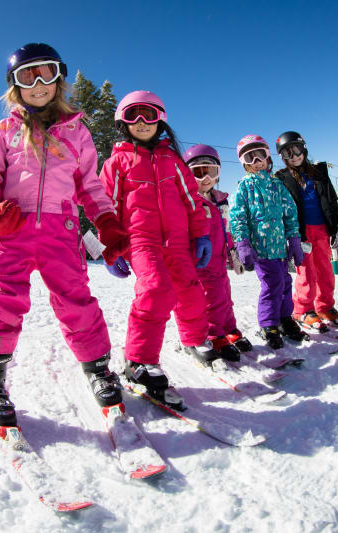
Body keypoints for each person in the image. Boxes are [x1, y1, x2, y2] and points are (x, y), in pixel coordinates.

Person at [0, 43, 130, 428]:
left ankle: (97, 367)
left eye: (46, 73)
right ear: (15, 85)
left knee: (76, 299)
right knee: (3, 299)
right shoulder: (4, 131)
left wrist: (106, 221)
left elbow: (90, 185)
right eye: (28, 76)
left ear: (60, 79)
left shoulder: (77, 132)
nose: (38, 83)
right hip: (12, 228)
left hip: (62, 231)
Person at [99, 90, 221, 409]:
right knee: (155, 290)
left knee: (191, 291)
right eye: (133, 115)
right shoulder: (117, 163)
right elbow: (106, 208)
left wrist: (201, 235)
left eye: (149, 115)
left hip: (179, 241)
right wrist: (111, 247)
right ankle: (138, 361)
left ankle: (195, 339)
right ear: (123, 123)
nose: (142, 122)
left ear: (161, 120)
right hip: (140, 241)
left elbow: (192, 200)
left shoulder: (173, 161)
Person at [229, 135, 307, 349]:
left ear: (268, 156)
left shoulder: (277, 185)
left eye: (260, 155)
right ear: (244, 163)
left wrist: (294, 239)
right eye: (250, 158)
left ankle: (284, 318)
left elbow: (290, 213)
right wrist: (243, 243)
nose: (256, 162)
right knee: (273, 285)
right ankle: (268, 324)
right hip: (261, 249)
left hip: (280, 248)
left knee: (285, 283)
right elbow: (237, 217)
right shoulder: (244, 188)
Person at [183, 144, 253, 359]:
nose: (206, 178)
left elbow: (227, 228)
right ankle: (214, 335)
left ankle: (229, 328)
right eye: (199, 172)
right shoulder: (188, 201)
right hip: (201, 262)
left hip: (220, 259)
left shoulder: (220, 200)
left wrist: (233, 251)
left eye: (211, 172)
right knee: (212, 299)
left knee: (225, 296)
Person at [273, 131, 338, 329]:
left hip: (322, 229)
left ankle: (324, 306)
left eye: (297, 150)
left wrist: (337, 227)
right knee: (306, 272)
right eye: (288, 153)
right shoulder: (282, 178)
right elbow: (281, 208)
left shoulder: (318, 173)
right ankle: (303, 309)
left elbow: (331, 200)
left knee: (326, 271)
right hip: (301, 233)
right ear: (282, 157)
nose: (294, 156)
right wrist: (287, 235)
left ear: (304, 149)